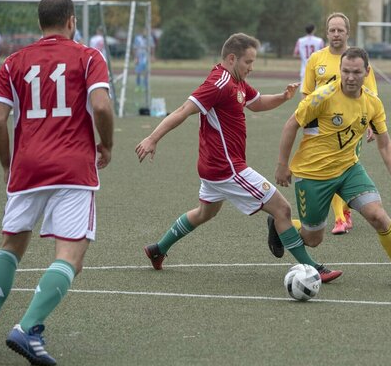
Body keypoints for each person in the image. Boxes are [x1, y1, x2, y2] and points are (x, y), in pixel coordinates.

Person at [0, 0, 114, 366]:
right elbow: (102, 106)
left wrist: (6, 164)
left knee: (11, 245)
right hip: (74, 167)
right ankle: (27, 327)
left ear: (40, 22)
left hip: (27, 165)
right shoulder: (89, 57)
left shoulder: (14, 62)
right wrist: (106, 144)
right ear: (72, 22)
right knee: (71, 255)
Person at [135, 33, 342, 284]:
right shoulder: (219, 83)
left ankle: (158, 248)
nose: (251, 68)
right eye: (248, 62)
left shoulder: (237, 81)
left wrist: (282, 97)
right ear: (232, 59)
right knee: (282, 209)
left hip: (214, 166)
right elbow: (182, 111)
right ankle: (313, 268)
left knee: (204, 213)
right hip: (228, 168)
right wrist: (153, 138)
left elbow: (255, 103)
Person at [274, 47, 391, 289]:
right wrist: (282, 165)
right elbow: (291, 125)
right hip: (313, 174)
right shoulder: (322, 97)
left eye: (356, 72)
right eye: (345, 71)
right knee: (313, 239)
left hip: (349, 169)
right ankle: (281, 226)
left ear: (367, 72)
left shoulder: (372, 102)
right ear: (340, 70)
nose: (350, 77)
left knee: (378, 216)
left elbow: (384, 142)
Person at [301, 12, 378, 235]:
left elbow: (371, 94)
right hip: (321, 129)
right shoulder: (316, 59)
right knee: (327, 169)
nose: (336, 34)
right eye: (332, 30)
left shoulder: (357, 60)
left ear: (348, 32)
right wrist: (306, 124)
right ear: (327, 33)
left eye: (340, 30)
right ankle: (337, 216)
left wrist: (371, 124)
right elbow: (307, 94)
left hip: (351, 127)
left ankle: (341, 215)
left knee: (343, 166)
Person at [293, 24, 324, 93]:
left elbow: (295, 54)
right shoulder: (319, 41)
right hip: (317, 70)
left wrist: (303, 57)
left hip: (305, 69)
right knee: (317, 92)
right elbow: (323, 54)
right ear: (313, 30)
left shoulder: (300, 41)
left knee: (304, 92)